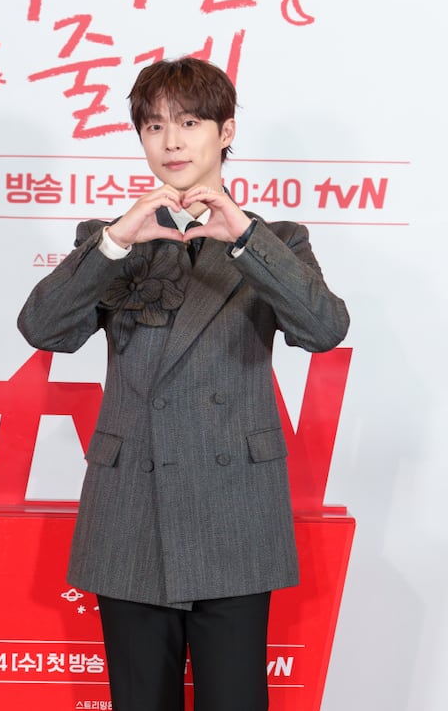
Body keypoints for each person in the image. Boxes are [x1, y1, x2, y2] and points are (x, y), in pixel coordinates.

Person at [17, 57, 349, 711]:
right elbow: (44, 329)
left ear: (226, 132)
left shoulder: (277, 240)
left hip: (235, 509)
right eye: (154, 126)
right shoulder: (112, 241)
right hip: (131, 507)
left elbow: (323, 329)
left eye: (190, 123)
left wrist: (245, 236)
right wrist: (116, 240)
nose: (171, 141)